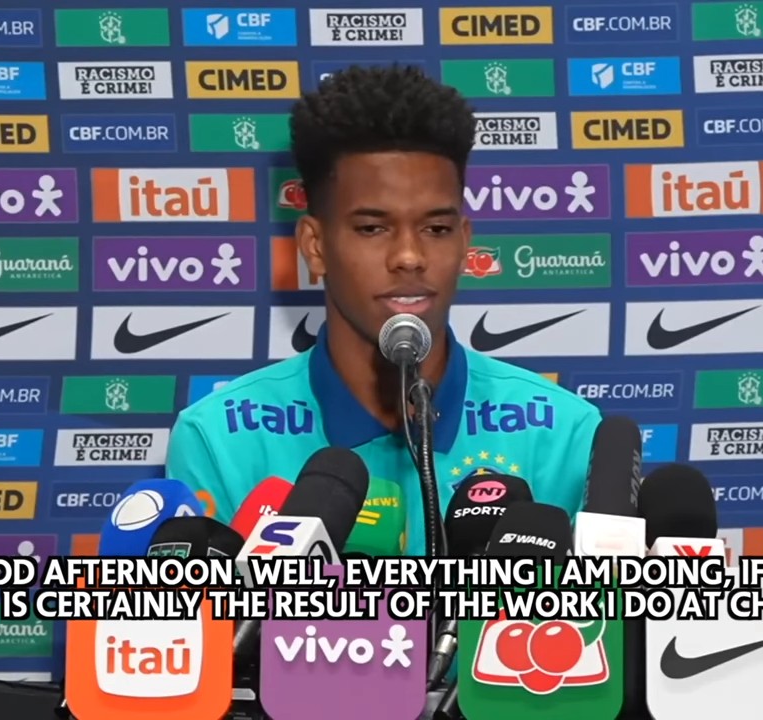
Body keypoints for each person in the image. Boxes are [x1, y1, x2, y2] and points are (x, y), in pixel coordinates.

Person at [165, 65, 602, 555]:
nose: (409, 257)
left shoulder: (563, 434)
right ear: (315, 246)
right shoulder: (220, 439)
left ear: (464, 243)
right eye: (372, 229)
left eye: (436, 229)